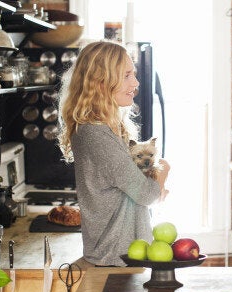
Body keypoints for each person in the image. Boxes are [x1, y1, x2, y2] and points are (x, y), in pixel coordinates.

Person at [58, 41, 170, 268]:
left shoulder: (100, 128)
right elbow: (146, 194)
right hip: (115, 259)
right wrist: (163, 170)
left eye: (134, 74)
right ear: (101, 82)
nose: (136, 83)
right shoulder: (96, 134)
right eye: (127, 75)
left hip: (120, 254)